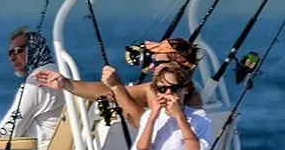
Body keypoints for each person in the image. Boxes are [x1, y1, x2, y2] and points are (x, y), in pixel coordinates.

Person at [34, 36, 204, 126]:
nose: (152, 68)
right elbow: (108, 93)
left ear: (174, 64)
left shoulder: (162, 92)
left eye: (156, 63)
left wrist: (116, 86)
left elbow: (142, 125)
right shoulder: (193, 90)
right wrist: (66, 84)